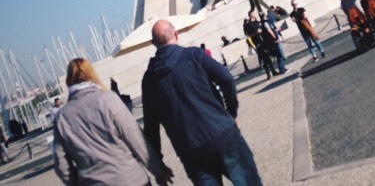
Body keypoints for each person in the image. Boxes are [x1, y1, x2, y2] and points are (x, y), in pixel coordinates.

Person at [142, 19, 262, 185]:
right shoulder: (193, 55)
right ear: (176, 34)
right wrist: (231, 112)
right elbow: (226, 78)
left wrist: (159, 166)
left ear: (153, 43)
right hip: (222, 133)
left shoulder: (149, 80)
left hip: (191, 151)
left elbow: (151, 128)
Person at [53, 57, 171, 186]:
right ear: (91, 74)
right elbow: (136, 139)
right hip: (130, 178)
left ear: (69, 80)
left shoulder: (62, 117)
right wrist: (159, 171)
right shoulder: (108, 99)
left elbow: (61, 164)